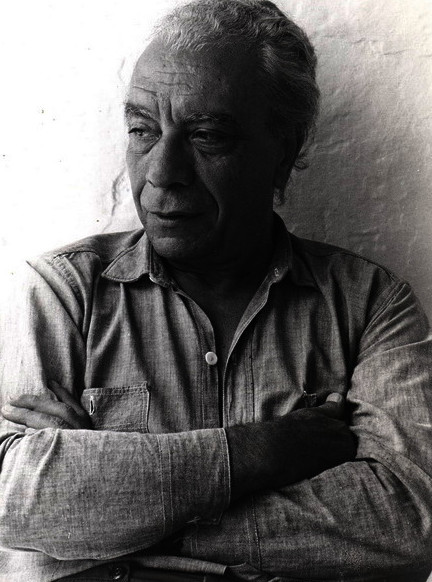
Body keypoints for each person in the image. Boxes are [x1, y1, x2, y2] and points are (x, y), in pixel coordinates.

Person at [1, 1, 432, 581]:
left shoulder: (370, 305)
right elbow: (15, 500)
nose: (161, 172)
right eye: (142, 131)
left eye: (207, 136)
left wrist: (118, 510)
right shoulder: (63, 293)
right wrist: (264, 451)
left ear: (283, 153)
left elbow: (408, 519)